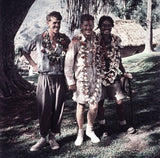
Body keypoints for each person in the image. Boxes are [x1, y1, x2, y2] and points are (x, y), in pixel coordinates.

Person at [22, 11, 70, 151]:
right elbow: (24, 50)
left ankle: (53, 137)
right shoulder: (39, 38)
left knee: (57, 108)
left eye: (59, 22)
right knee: (44, 108)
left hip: (60, 78)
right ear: (48, 23)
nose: (57, 25)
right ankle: (43, 138)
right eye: (54, 22)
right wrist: (33, 64)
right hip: (45, 77)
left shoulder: (64, 39)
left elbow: (71, 53)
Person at [64, 14, 102, 146]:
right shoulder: (75, 41)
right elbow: (68, 63)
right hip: (81, 79)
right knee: (81, 105)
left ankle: (90, 130)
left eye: (91, 25)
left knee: (95, 106)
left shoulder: (97, 39)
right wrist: (70, 81)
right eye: (86, 25)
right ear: (81, 26)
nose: (88, 28)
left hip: (95, 78)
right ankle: (80, 132)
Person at [97, 16, 133, 135]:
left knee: (119, 101)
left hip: (113, 75)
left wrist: (124, 72)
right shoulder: (95, 40)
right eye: (104, 25)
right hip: (99, 76)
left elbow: (118, 59)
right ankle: (102, 128)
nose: (106, 27)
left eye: (108, 25)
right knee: (100, 102)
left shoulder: (116, 40)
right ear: (100, 27)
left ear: (112, 26)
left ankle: (123, 124)